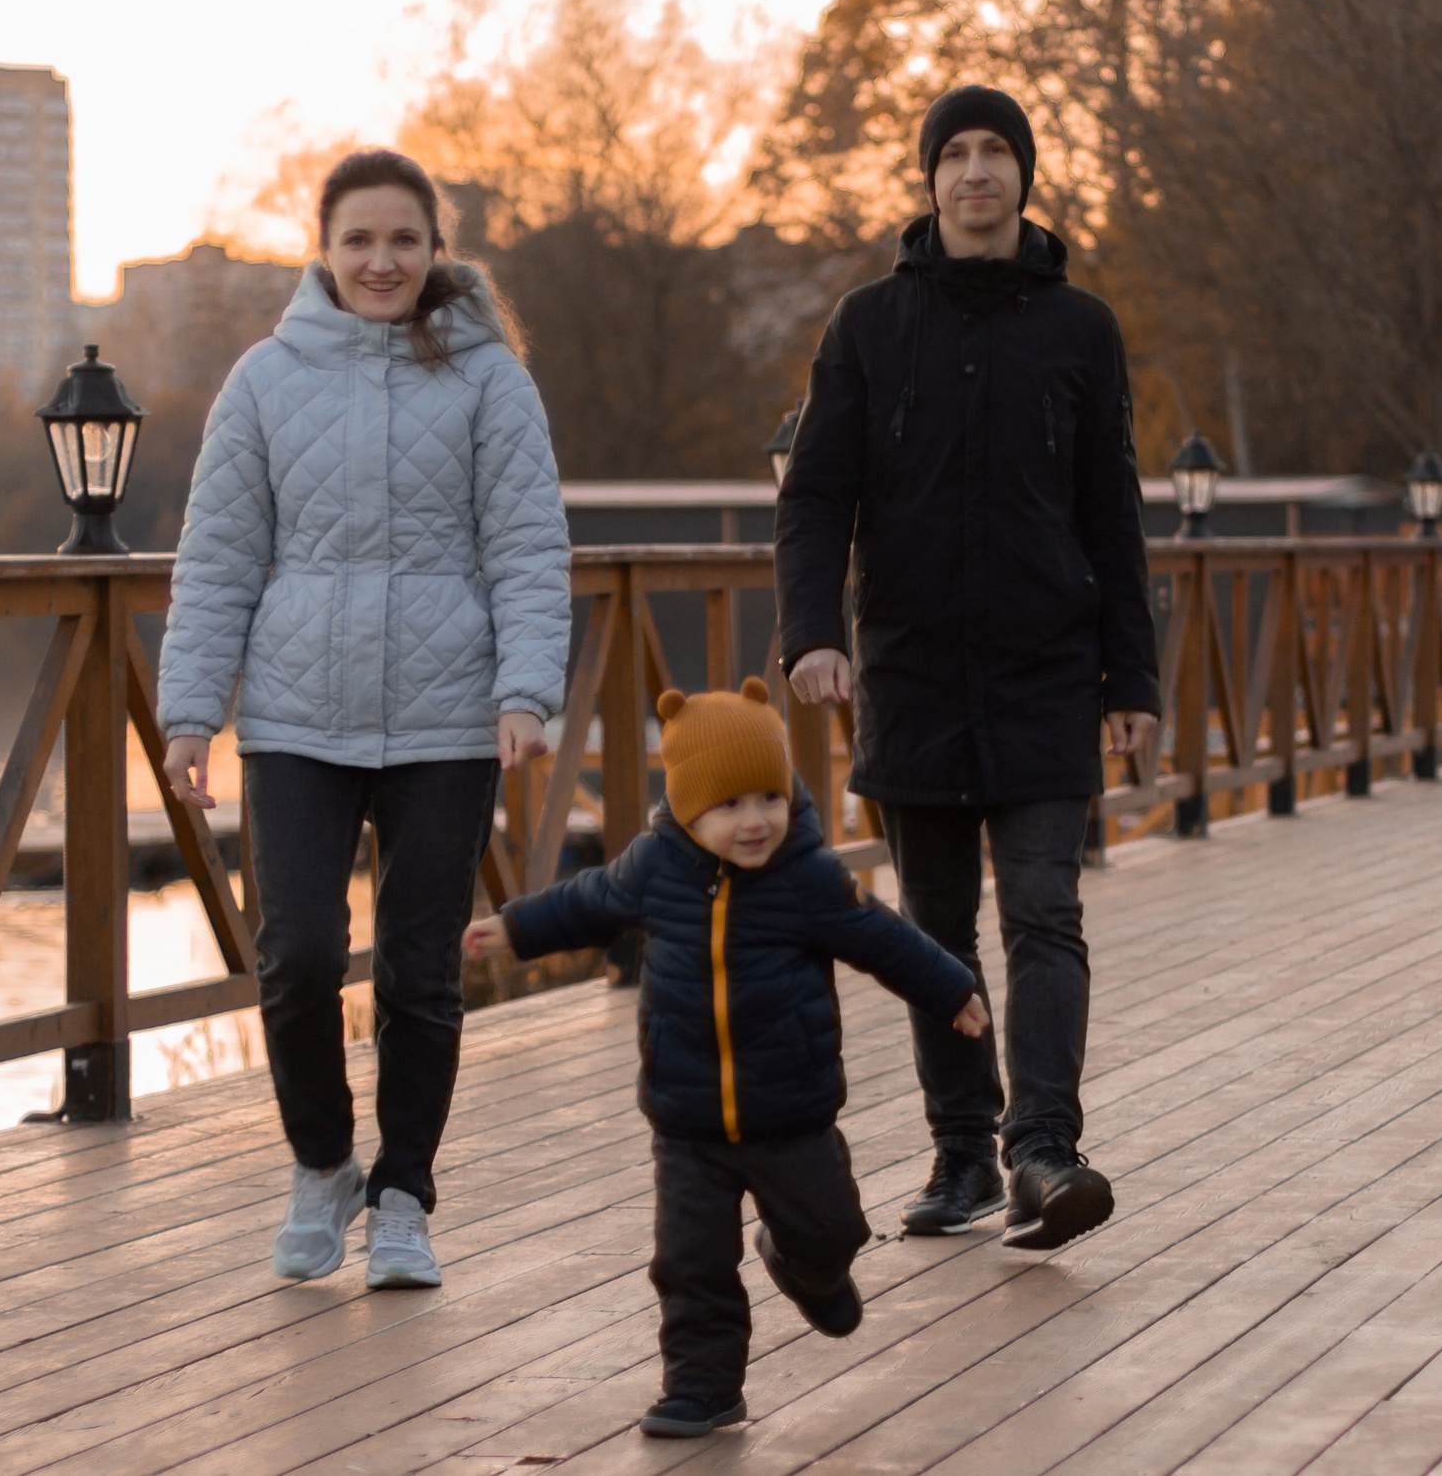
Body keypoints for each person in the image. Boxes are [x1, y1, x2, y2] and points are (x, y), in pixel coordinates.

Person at [158, 148, 570, 1291]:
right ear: (323, 253)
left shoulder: (490, 380)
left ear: (435, 251)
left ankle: (403, 1199)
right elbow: (219, 556)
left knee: (417, 974)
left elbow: (529, 544)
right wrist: (192, 711)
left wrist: (526, 689)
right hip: (296, 718)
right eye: (359, 241)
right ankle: (323, 1162)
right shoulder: (265, 380)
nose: (380, 261)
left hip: (447, 720)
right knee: (292, 957)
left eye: (402, 240)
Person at [774, 84, 1161, 1251]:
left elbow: (1113, 511)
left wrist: (1132, 682)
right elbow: (815, 498)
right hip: (914, 672)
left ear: (1023, 178)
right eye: (958, 153)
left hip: (1048, 669)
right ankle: (961, 1153)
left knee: (1044, 910)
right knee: (933, 930)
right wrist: (812, 633)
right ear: (931, 178)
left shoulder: (1080, 330)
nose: (978, 171)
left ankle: (1043, 1147)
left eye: (998, 152)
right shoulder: (867, 326)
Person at [466, 679, 982, 1438]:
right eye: (730, 805)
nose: (755, 821)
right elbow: (589, 901)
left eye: (768, 799)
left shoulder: (806, 875)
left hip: (791, 1112)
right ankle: (701, 1388)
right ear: (686, 807)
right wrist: (518, 928)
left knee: (832, 1228)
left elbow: (881, 935)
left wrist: (949, 987)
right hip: (687, 1119)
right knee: (690, 1263)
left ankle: (808, 1262)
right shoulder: (654, 867)